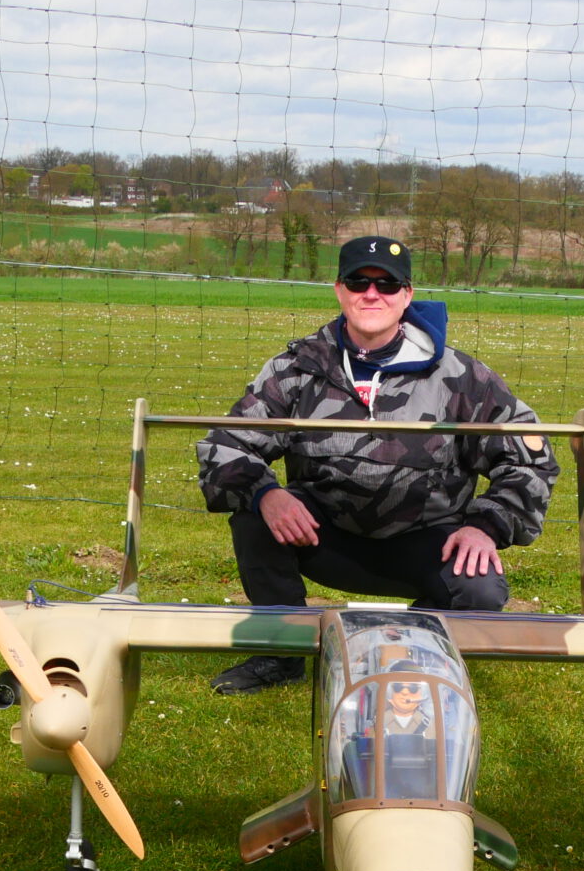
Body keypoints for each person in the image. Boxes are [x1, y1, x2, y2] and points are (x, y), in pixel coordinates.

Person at [198, 235, 558, 694]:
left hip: (428, 542)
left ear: (407, 295)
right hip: (324, 537)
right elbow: (226, 445)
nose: (372, 294)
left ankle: (411, 651)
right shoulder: (296, 369)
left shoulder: (462, 377)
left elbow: (530, 460)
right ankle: (281, 653)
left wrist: (486, 526)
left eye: (387, 284)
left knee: (480, 589)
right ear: (339, 290)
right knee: (254, 518)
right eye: (358, 282)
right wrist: (266, 495)